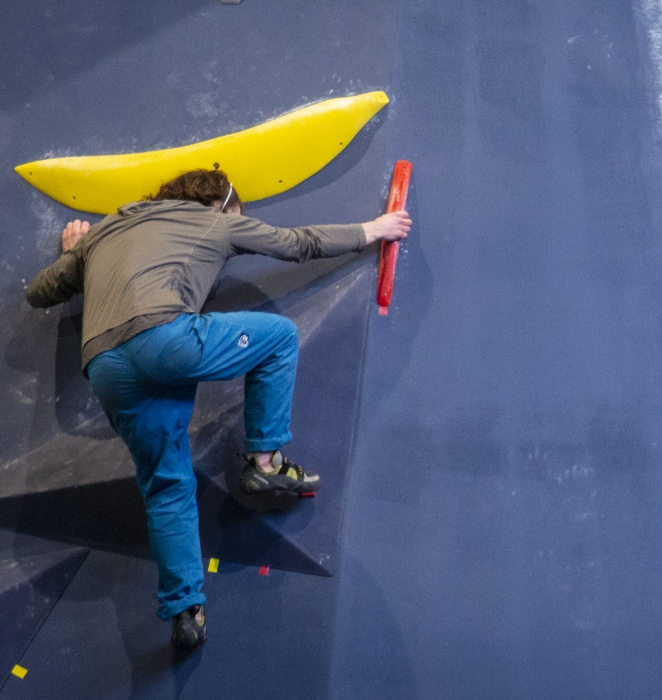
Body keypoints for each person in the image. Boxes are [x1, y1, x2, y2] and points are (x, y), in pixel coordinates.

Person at [25, 168, 411, 650]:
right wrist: (374, 229)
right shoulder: (215, 220)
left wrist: (72, 256)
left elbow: (38, 291)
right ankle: (264, 464)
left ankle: (185, 611)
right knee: (280, 337)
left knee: (166, 485)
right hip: (166, 340)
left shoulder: (103, 232)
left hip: (105, 366)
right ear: (220, 204)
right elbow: (298, 242)